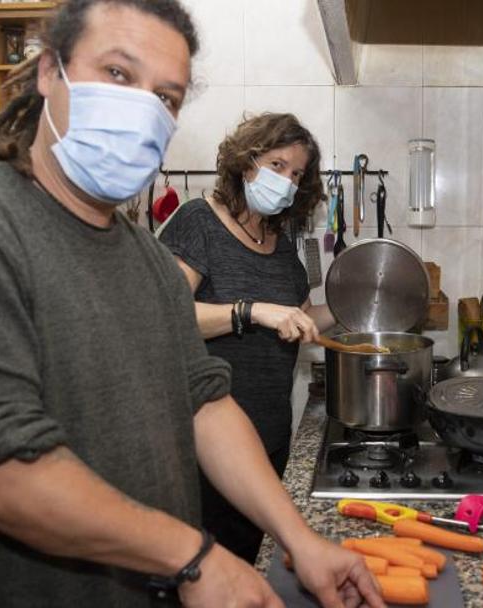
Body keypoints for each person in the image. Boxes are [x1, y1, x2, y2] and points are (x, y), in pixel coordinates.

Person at [0, 1, 383, 607]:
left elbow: (206, 407)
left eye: (165, 97)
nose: (142, 109)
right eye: (118, 74)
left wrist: (299, 539)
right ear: (48, 74)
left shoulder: (143, 258)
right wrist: (194, 559)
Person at [159, 113, 337, 563]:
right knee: (206, 573)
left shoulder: (280, 239)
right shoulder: (198, 222)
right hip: (205, 446)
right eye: (277, 165)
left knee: (251, 566)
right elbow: (165, 317)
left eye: (296, 174)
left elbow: (294, 317)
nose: (287, 181)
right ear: (246, 161)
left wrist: (358, 304)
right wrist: (249, 311)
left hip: (270, 437)